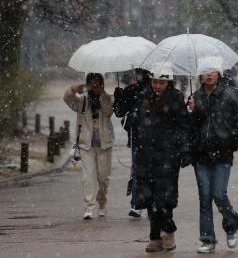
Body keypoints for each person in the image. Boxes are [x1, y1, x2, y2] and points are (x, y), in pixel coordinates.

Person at [127, 68, 191, 253]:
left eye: (162, 83)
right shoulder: (141, 97)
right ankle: (154, 237)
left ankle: (168, 231)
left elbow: (184, 126)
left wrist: (184, 149)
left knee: (164, 198)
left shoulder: (176, 99)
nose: (157, 86)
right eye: (154, 82)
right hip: (145, 156)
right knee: (149, 197)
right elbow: (132, 124)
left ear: (168, 83)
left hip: (168, 156)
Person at [187, 62, 238, 254]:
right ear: (200, 76)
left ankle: (231, 224)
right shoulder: (195, 97)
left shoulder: (229, 94)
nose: (209, 75)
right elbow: (191, 127)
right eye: (205, 72)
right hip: (201, 155)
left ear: (218, 74)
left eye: (212, 71)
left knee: (219, 194)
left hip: (223, 154)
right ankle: (207, 238)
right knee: (204, 198)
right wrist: (192, 111)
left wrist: (231, 137)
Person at [63, 73, 114, 220]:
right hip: (87, 145)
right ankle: (89, 208)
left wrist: (102, 95)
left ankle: (102, 203)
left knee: (103, 178)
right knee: (88, 177)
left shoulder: (107, 98)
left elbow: (109, 111)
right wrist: (72, 89)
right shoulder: (82, 101)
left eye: (98, 82)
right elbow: (67, 99)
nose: (95, 85)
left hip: (104, 144)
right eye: (92, 83)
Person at [113, 68, 151, 219]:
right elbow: (119, 112)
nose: (140, 74)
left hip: (157, 138)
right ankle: (137, 203)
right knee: (138, 170)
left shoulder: (157, 91)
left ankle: (152, 202)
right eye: (138, 71)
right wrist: (118, 98)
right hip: (137, 138)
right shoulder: (131, 90)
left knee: (153, 171)